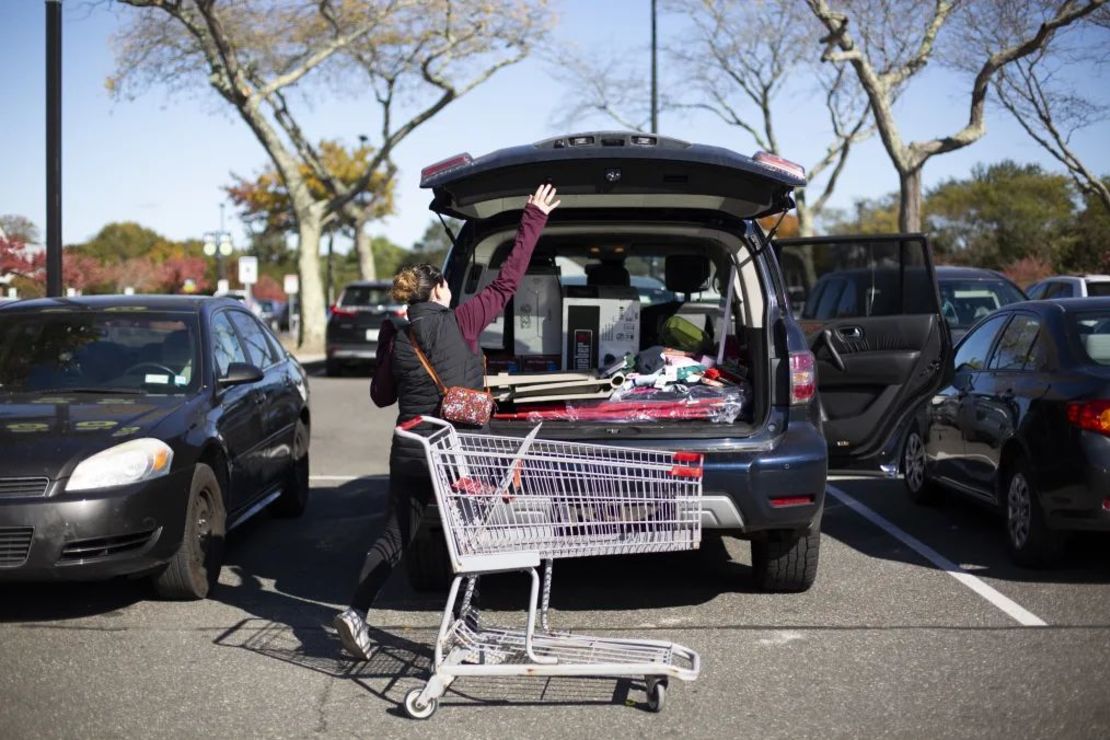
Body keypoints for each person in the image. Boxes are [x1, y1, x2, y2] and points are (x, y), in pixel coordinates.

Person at [333, 182, 561, 660]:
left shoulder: (396, 336)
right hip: (458, 453)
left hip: (411, 448)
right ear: (438, 289)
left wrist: (386, 345)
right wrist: (533, 218)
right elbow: (508, 279)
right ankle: (465, 620)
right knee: (473, 531)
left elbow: (380, 397)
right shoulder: (463, 320)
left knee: (395, 535)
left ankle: (355, 613)